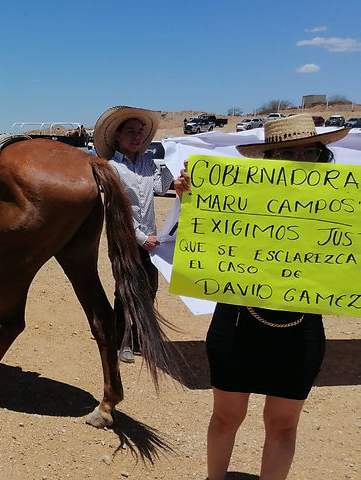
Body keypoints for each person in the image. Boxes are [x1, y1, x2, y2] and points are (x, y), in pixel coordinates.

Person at [173, 114, 346, 480]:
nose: (299, 160)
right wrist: (193, 197)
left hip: (301, 328)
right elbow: (208, 243)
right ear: (268, 158)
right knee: (225, 417)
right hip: (237, 322)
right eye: (286, 152)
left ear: (320, 155)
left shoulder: (343, 203)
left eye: (308, 151)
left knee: (283, 426)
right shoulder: (237, 198)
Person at [93, 105, 174, 363]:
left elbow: (161, 188)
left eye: (140, 132)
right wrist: (140, 237)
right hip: (125, 239)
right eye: (130, 131)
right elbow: (118, 210)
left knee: (149, 288)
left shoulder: (149, 163)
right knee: (125, 290)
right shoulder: (112, 168)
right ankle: (122, 341)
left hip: (150, 240)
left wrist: (174, 163)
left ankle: (140, 337)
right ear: (118, 135)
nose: (137, 136)